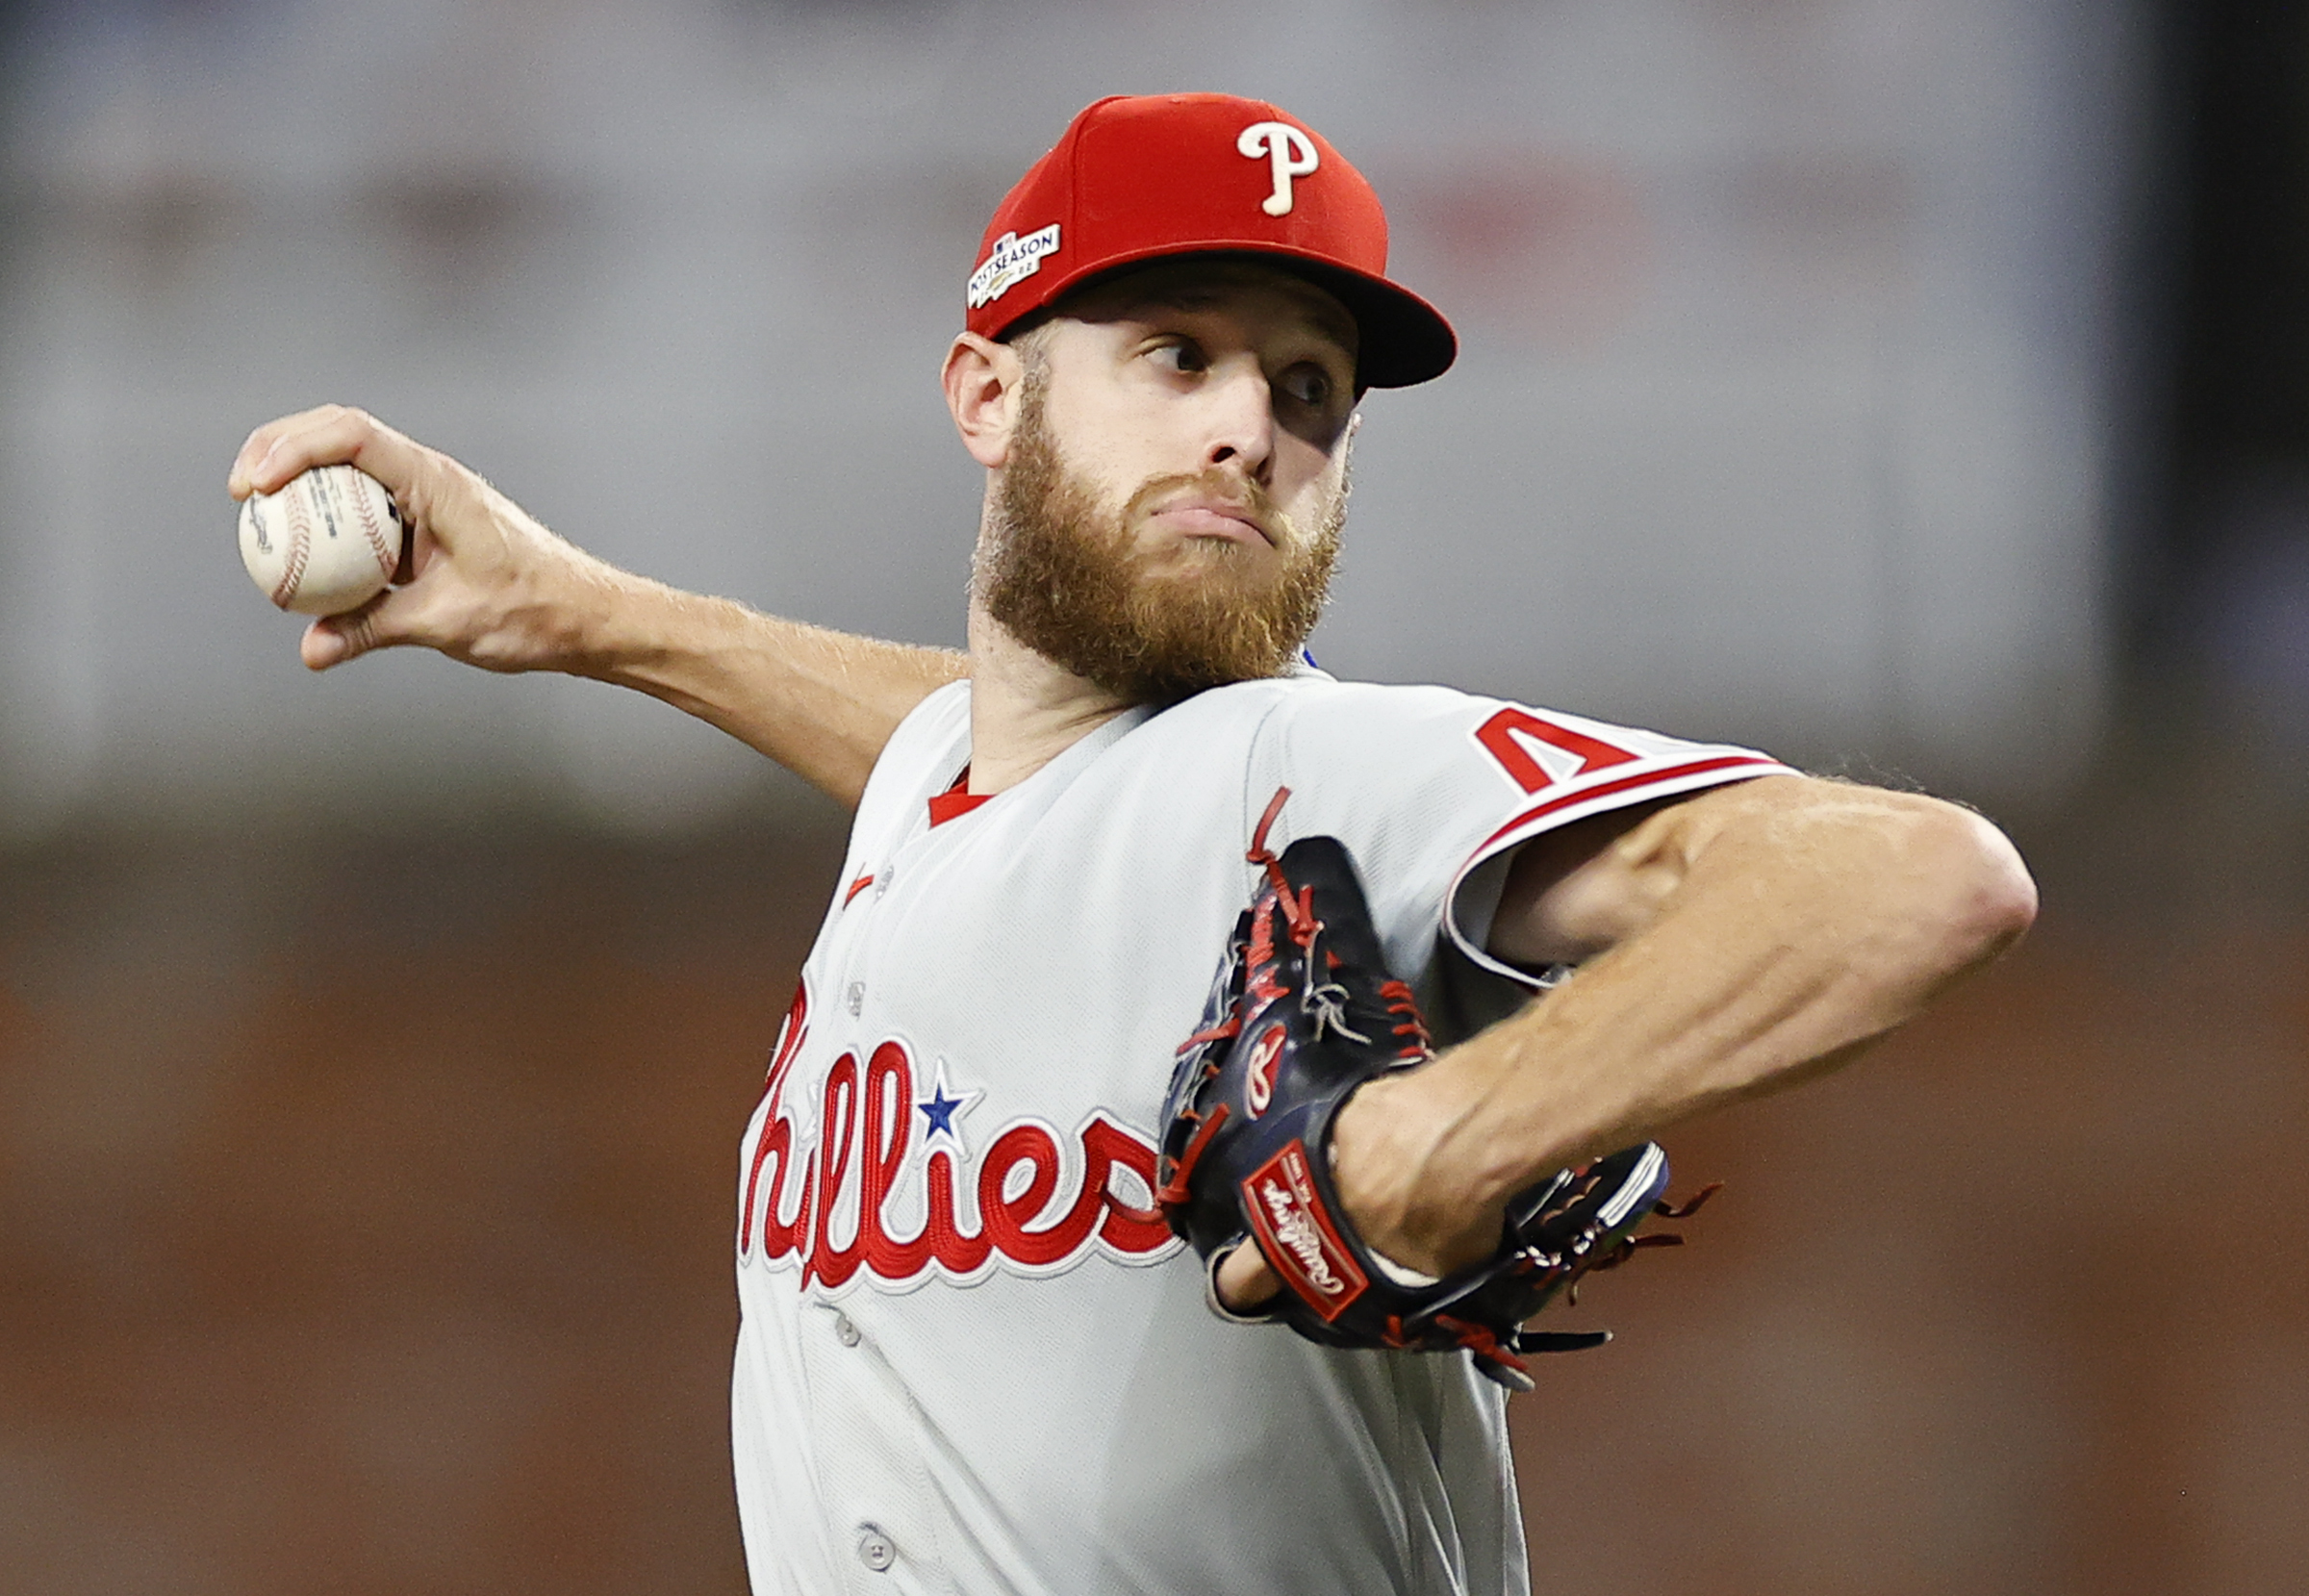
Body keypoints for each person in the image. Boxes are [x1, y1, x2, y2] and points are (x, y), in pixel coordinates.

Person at [231, 93, 2036, 1596]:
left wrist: (1444, 1130)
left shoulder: (1333, 771)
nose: (1252, 426)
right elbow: (989, 757)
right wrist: (577, 612)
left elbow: (1918, 877)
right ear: (989, 396)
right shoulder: (963, 785)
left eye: (1311, 389)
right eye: (1177, 353)